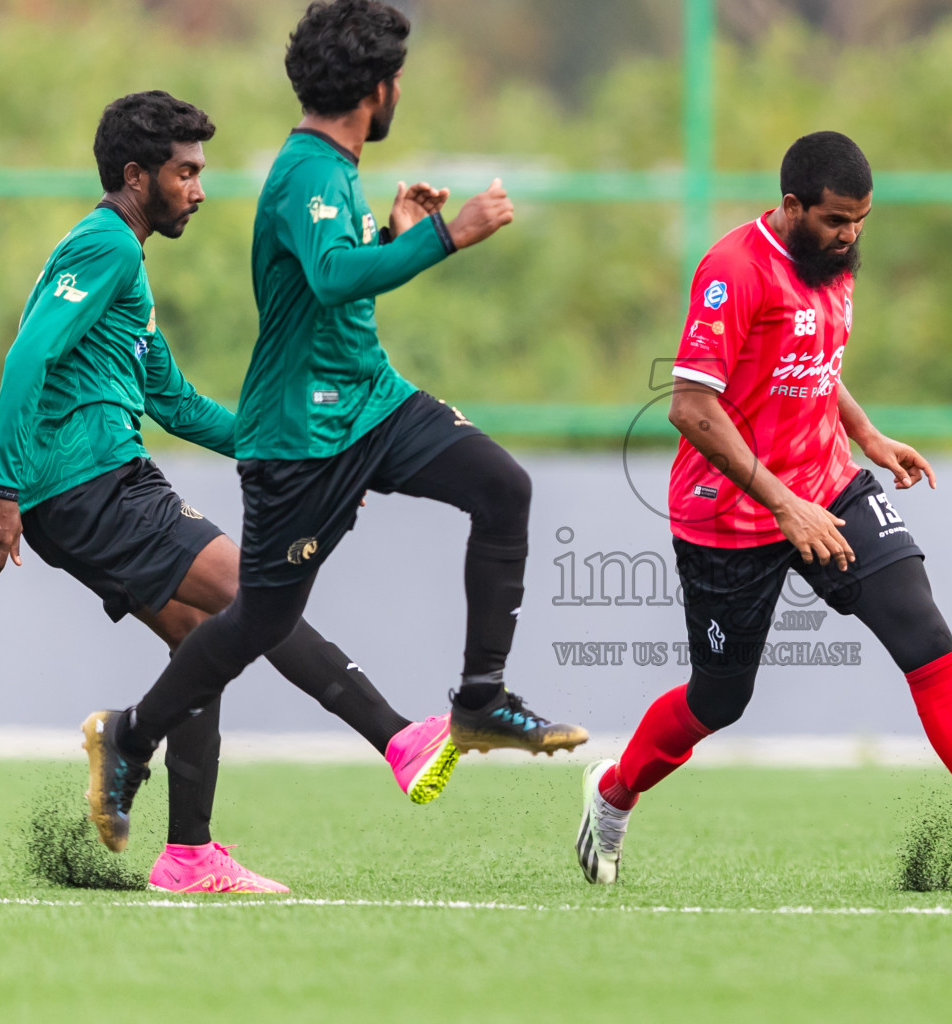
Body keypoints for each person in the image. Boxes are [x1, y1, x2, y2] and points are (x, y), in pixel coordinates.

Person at [76, 0, 587, 848]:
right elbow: (331, 278)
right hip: (302, 438)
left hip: (371, 403)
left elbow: (339, 272)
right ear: (379, 90)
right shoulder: (307, 170)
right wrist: (446, 239)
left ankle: (480, 699)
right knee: (258, 621)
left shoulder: (334, 169)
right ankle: (128, 736)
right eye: (398, 84)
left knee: (503, 487)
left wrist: (393, 231)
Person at [575, 131, 952, 891]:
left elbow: (811, 362)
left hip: (827, 486)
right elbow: (691, 408)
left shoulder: (833, 265)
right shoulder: (732, 271)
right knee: (720, 698)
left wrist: (867, 434)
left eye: (862, 221)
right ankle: (613, 793)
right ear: (792, 207)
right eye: (836, 220)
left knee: (925, 632)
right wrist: (785, 506)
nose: (851, 236)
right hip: (732, 515)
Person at [0, 90, 453, 891]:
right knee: (253, 592)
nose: (199, 187)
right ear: (136, 175)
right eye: (185, 172)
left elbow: (176, 401)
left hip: (93, 486)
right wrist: (1, 489)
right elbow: (27, 358)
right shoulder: (106, 247)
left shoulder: (124, 263)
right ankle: (398, 737)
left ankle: (189, 853)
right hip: (91, 483)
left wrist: (295, 457)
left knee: (201, 641)